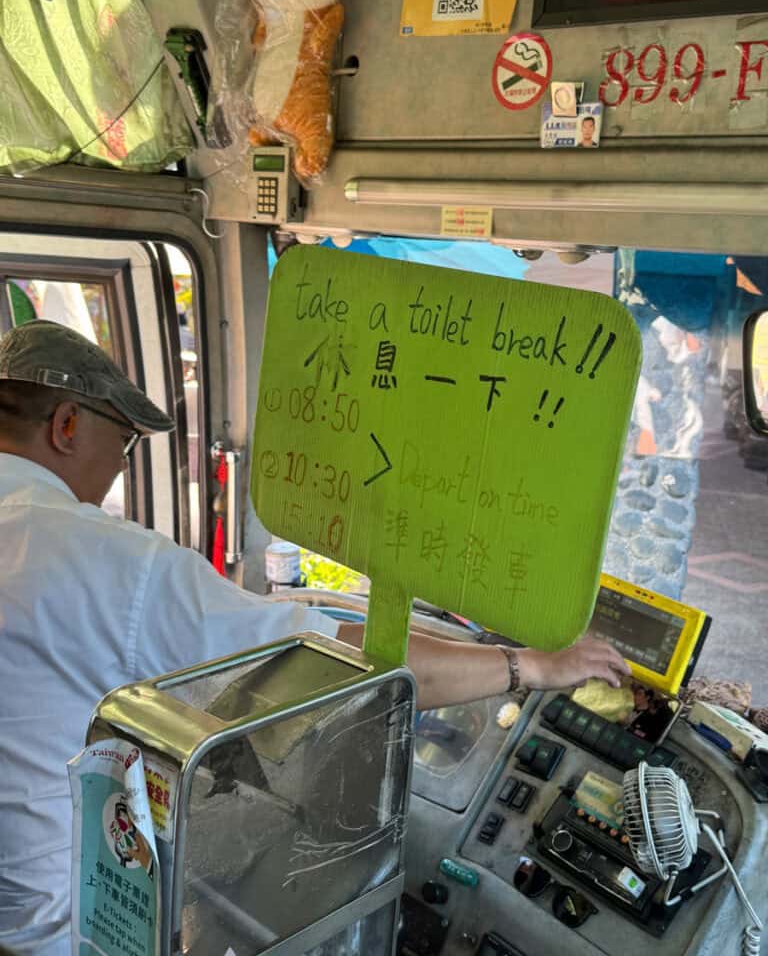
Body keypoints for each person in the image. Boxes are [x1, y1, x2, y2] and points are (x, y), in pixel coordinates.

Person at [0, 321, 629, 956]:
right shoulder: (100, 560)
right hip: (49, 935)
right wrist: (528, 666)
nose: (118, 466)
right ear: (68, 426)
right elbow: (343, 668)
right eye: (126, 442)